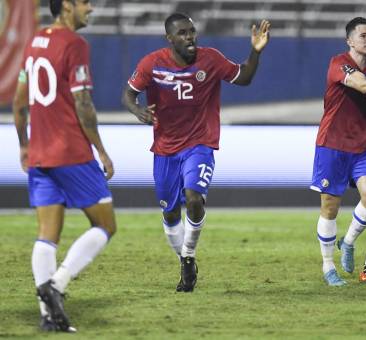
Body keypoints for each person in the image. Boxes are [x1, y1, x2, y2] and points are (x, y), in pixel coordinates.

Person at [122, 13, 270, 292]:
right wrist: (138, 110)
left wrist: (255, 51)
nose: (190, 37)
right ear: (170, 38)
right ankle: (184, 258)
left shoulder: (211, 59)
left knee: (193, 198)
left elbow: (244, 77)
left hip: (199, 144)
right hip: (165, 149)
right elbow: (128, 94)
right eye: (182, 33)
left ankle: (188, 256)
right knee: (169, 214)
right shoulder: (151, 64)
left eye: (192, 31)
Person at [12, 0, 116, 332]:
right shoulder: (75, 44)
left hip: (41, 153)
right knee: (105, 225)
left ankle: (48, 316)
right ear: (67, 5)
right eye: (86, 3)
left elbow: (18, 103)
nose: (91, 9)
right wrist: (100, 150)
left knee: (47, 236)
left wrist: (24, 145)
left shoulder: (34, 41)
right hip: (71, 151)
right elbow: (83, 103)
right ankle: (56, 284)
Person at [311, 17, 366, 286]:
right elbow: (363, 85)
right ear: (350, 41)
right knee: (330, 207)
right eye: (363, 36)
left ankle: (349, 241)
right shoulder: (338, 63)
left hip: (362, 146)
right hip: (332, 145)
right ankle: (329, 267)